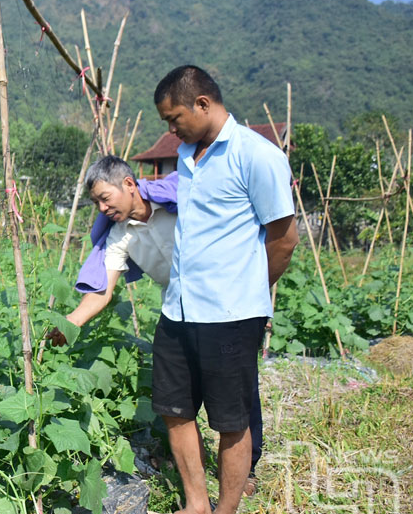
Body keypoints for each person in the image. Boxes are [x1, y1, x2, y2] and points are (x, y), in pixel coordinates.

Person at [47, 156, 266, 494]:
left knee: (237, 392)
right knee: (177, 400)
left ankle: (245, 470)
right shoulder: (119, 235)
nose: (102, 207)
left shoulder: (179, 205)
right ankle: (192, 477)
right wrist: (70, 323)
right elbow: (102, 291)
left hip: (224, 305)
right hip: (177, 308)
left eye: (106, 197)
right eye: (96, 202)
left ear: (129, 185)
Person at [146, 66, 298, 514]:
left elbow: (284, 238)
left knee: (230, 421)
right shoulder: (188, 156)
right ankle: (195, 507)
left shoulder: (257, 156)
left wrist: (251, 290)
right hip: (180, 308)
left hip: (230, 313)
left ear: (204, 104)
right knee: (175, 409)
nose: (171, 130)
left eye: (175, 119)